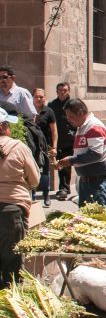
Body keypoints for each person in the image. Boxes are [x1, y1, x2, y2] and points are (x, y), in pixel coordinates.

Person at [0, 107, 40, 287]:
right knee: (12, 255)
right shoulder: (19, 147)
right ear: (3, 127)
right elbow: (34, 179)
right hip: (13, 208)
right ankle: (10, 292)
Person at [56, 99, 106, 208]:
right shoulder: (82, 127)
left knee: (99, 218)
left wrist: (71, 160)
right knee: (85, 217)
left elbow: (96, 154)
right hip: (87, 180)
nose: (68, 120)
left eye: (71, 116)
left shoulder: (93, 127)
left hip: (97, 182)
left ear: (81, 113)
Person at [48, 81, 75, 200]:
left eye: (65, 90)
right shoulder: (52, 105)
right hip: (57, 140)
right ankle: (64, 188)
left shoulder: (74, 104)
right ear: (56, 91)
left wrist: (73, 133)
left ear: (68, 91)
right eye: (60, 90)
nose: (62, 92)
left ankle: (67, 187)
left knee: (68, 163)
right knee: (60, 163)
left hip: (70, 140)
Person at [33, 88, 57, 208]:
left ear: (45, 98)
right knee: (31, 169)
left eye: (41, 97)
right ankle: (32, 195)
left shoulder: (49, 112)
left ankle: (46, 195)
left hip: (45, 145)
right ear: (33, 98)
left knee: (46, 172)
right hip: (31, 145)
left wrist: (54, 147)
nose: (39, 99)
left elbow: (54, 131)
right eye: (37, 96)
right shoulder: (29, 110)